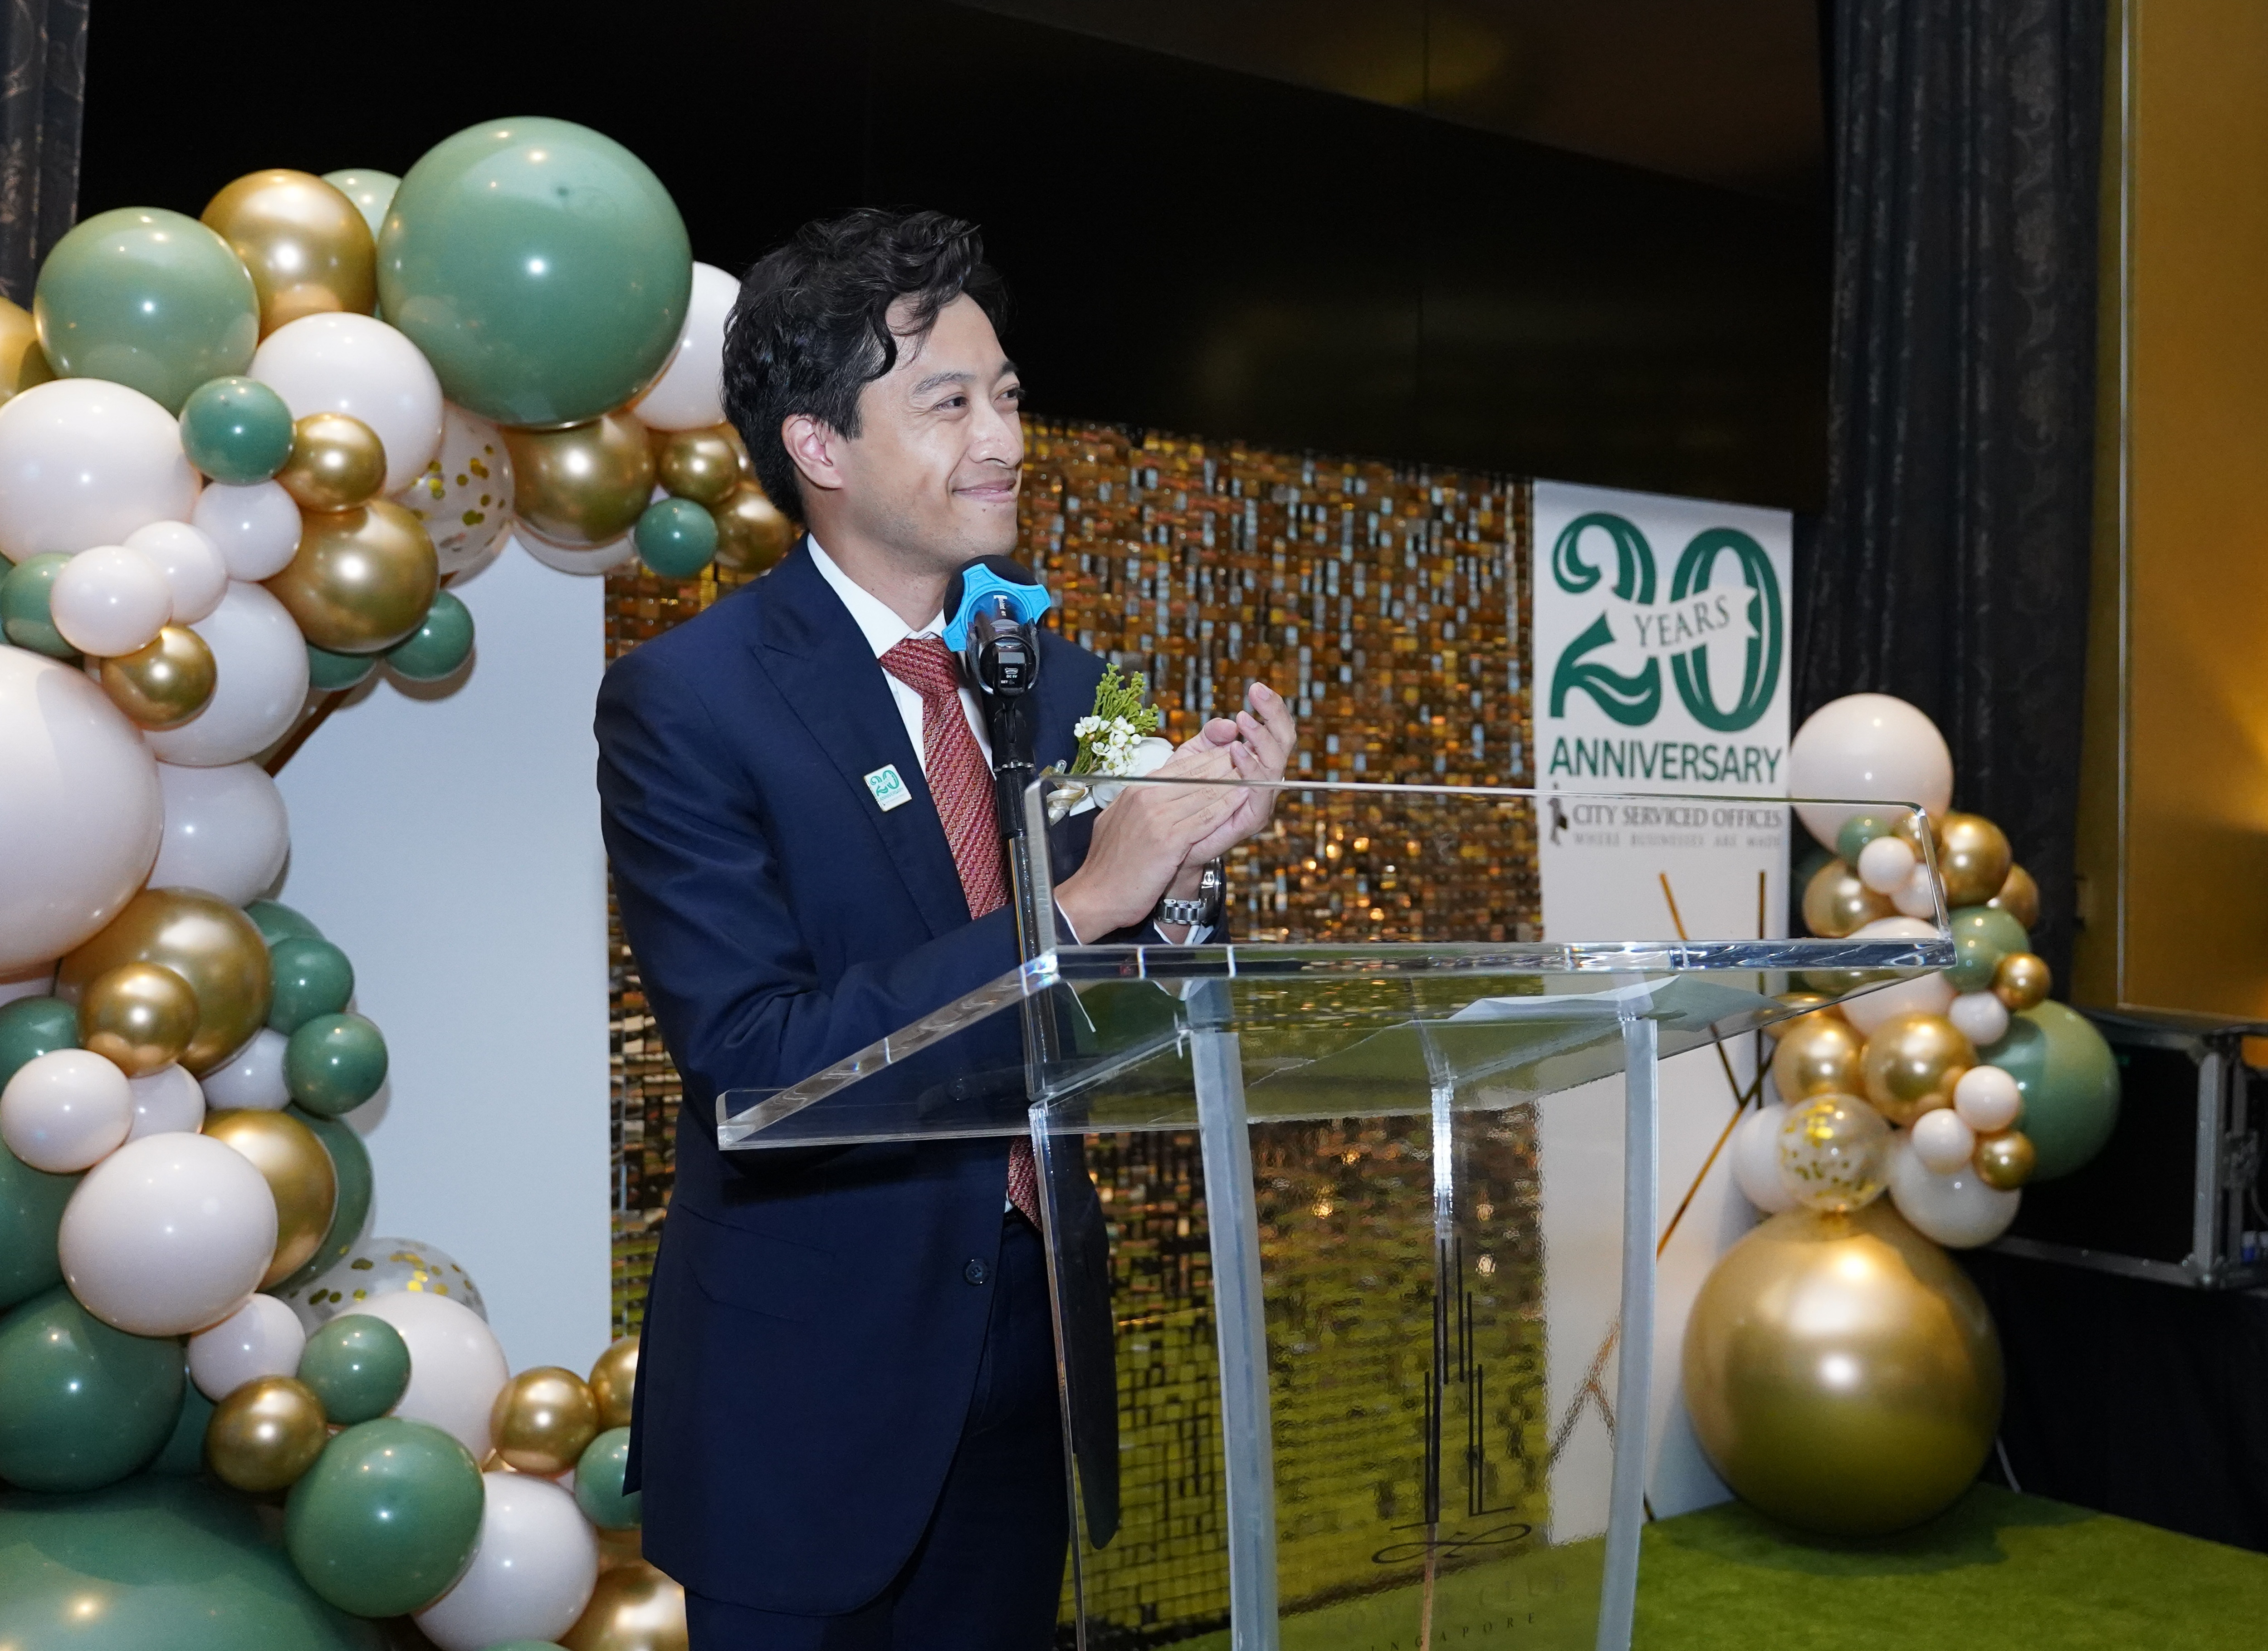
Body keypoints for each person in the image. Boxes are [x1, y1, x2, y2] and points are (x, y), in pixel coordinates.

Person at [594, 207, 1296, 1649]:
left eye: (1010, 397)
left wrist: (1183, 877)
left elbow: (1116, 1018)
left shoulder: (1063, 682)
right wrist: (1086, 898)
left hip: (1031, 1358)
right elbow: (755, 1061)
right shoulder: (692, 700)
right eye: (951, 403)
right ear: (820, 445)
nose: (1005, 440)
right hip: (809, 1393)